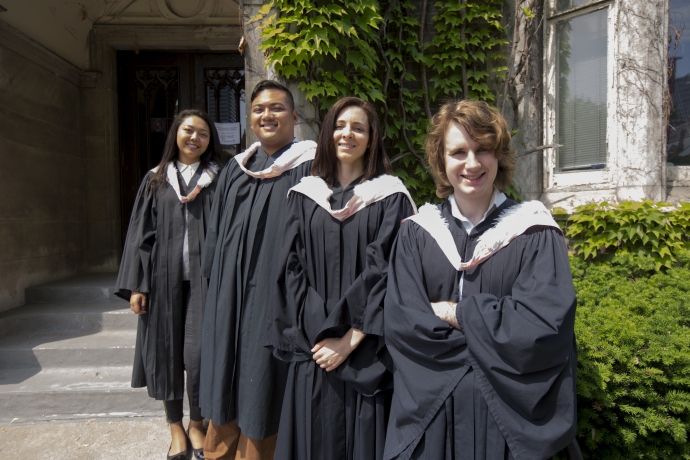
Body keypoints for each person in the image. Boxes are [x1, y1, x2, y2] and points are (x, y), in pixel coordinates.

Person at [383, 100, 577, 460]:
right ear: (441, 161)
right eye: (458, 152)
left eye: (483, 150)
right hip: (434, 421)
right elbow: (403, 326)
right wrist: (490, 340)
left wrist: (456, 314)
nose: (472, 164)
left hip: (507, 423)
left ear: (498, 157)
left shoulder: (533, 232)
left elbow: (543, 326)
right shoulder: (416, 234)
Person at [267, 97, 417, 460]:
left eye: (359, 128)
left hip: (368, 351)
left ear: (372, 138)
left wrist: (349, 339)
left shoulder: (390, 197)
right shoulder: (304, 196)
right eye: (340, 125)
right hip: (315, 350)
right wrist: (323, 339)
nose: (347, 133)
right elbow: (290, 270)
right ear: (328, 133)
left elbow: (389, 273)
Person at [199, 80, 316, 460]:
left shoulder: (311, 167)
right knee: (224, 374)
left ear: (295, 117)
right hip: (229, 297)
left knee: (262, 379)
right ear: (250, 118)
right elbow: (215, 235)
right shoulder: (236, 169)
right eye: (259, 109)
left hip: (275, 297)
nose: (267, 115)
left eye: (277, 108)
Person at [115, 108, 223, 460]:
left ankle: (197, 423)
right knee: (166, 353)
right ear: (175, 133)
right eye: (188, 130)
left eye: (203, 133)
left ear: (210, 140)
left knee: (199, 354)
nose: (195, 138)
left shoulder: (218, 179)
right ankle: (175, 426)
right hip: (162, 283)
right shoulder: (156, 180)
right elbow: (139, 236)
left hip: (206, 283)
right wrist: (136, 285)